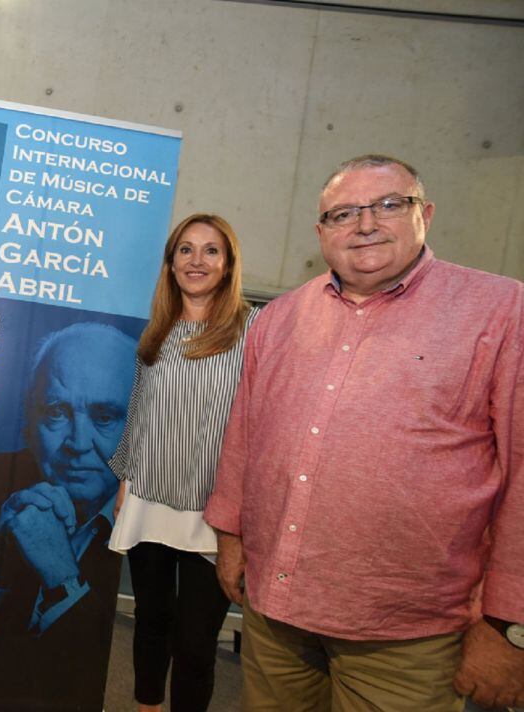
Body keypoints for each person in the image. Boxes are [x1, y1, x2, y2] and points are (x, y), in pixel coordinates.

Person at [205, 154, 524, 711]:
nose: (366, 224)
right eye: (343, 213)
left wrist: (509, 625)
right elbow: (244, 442)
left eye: (388, 205)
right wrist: (230, 539)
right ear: (321, 232)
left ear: (424, 214)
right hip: (276, 613)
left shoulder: (500, 312)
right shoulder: (278, 318)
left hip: (406, 635)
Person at [109, 214, 257, 712]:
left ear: (228, 263)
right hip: (149, 498)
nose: (197, 261)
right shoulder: (158, 331)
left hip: (215, 511)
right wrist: (125, 478)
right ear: (170, 265)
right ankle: (146, 705)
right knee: (151, 620)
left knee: (196, 642)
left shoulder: (255, 330)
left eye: (211, 250)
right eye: (185, 250)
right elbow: (139, 407)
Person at [0, 322, 135, 712]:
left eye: (104, 417)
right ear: (29, 422)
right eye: (56, 412)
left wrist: (63, 580)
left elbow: (85, 676)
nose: (78, 443)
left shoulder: (155, 511)